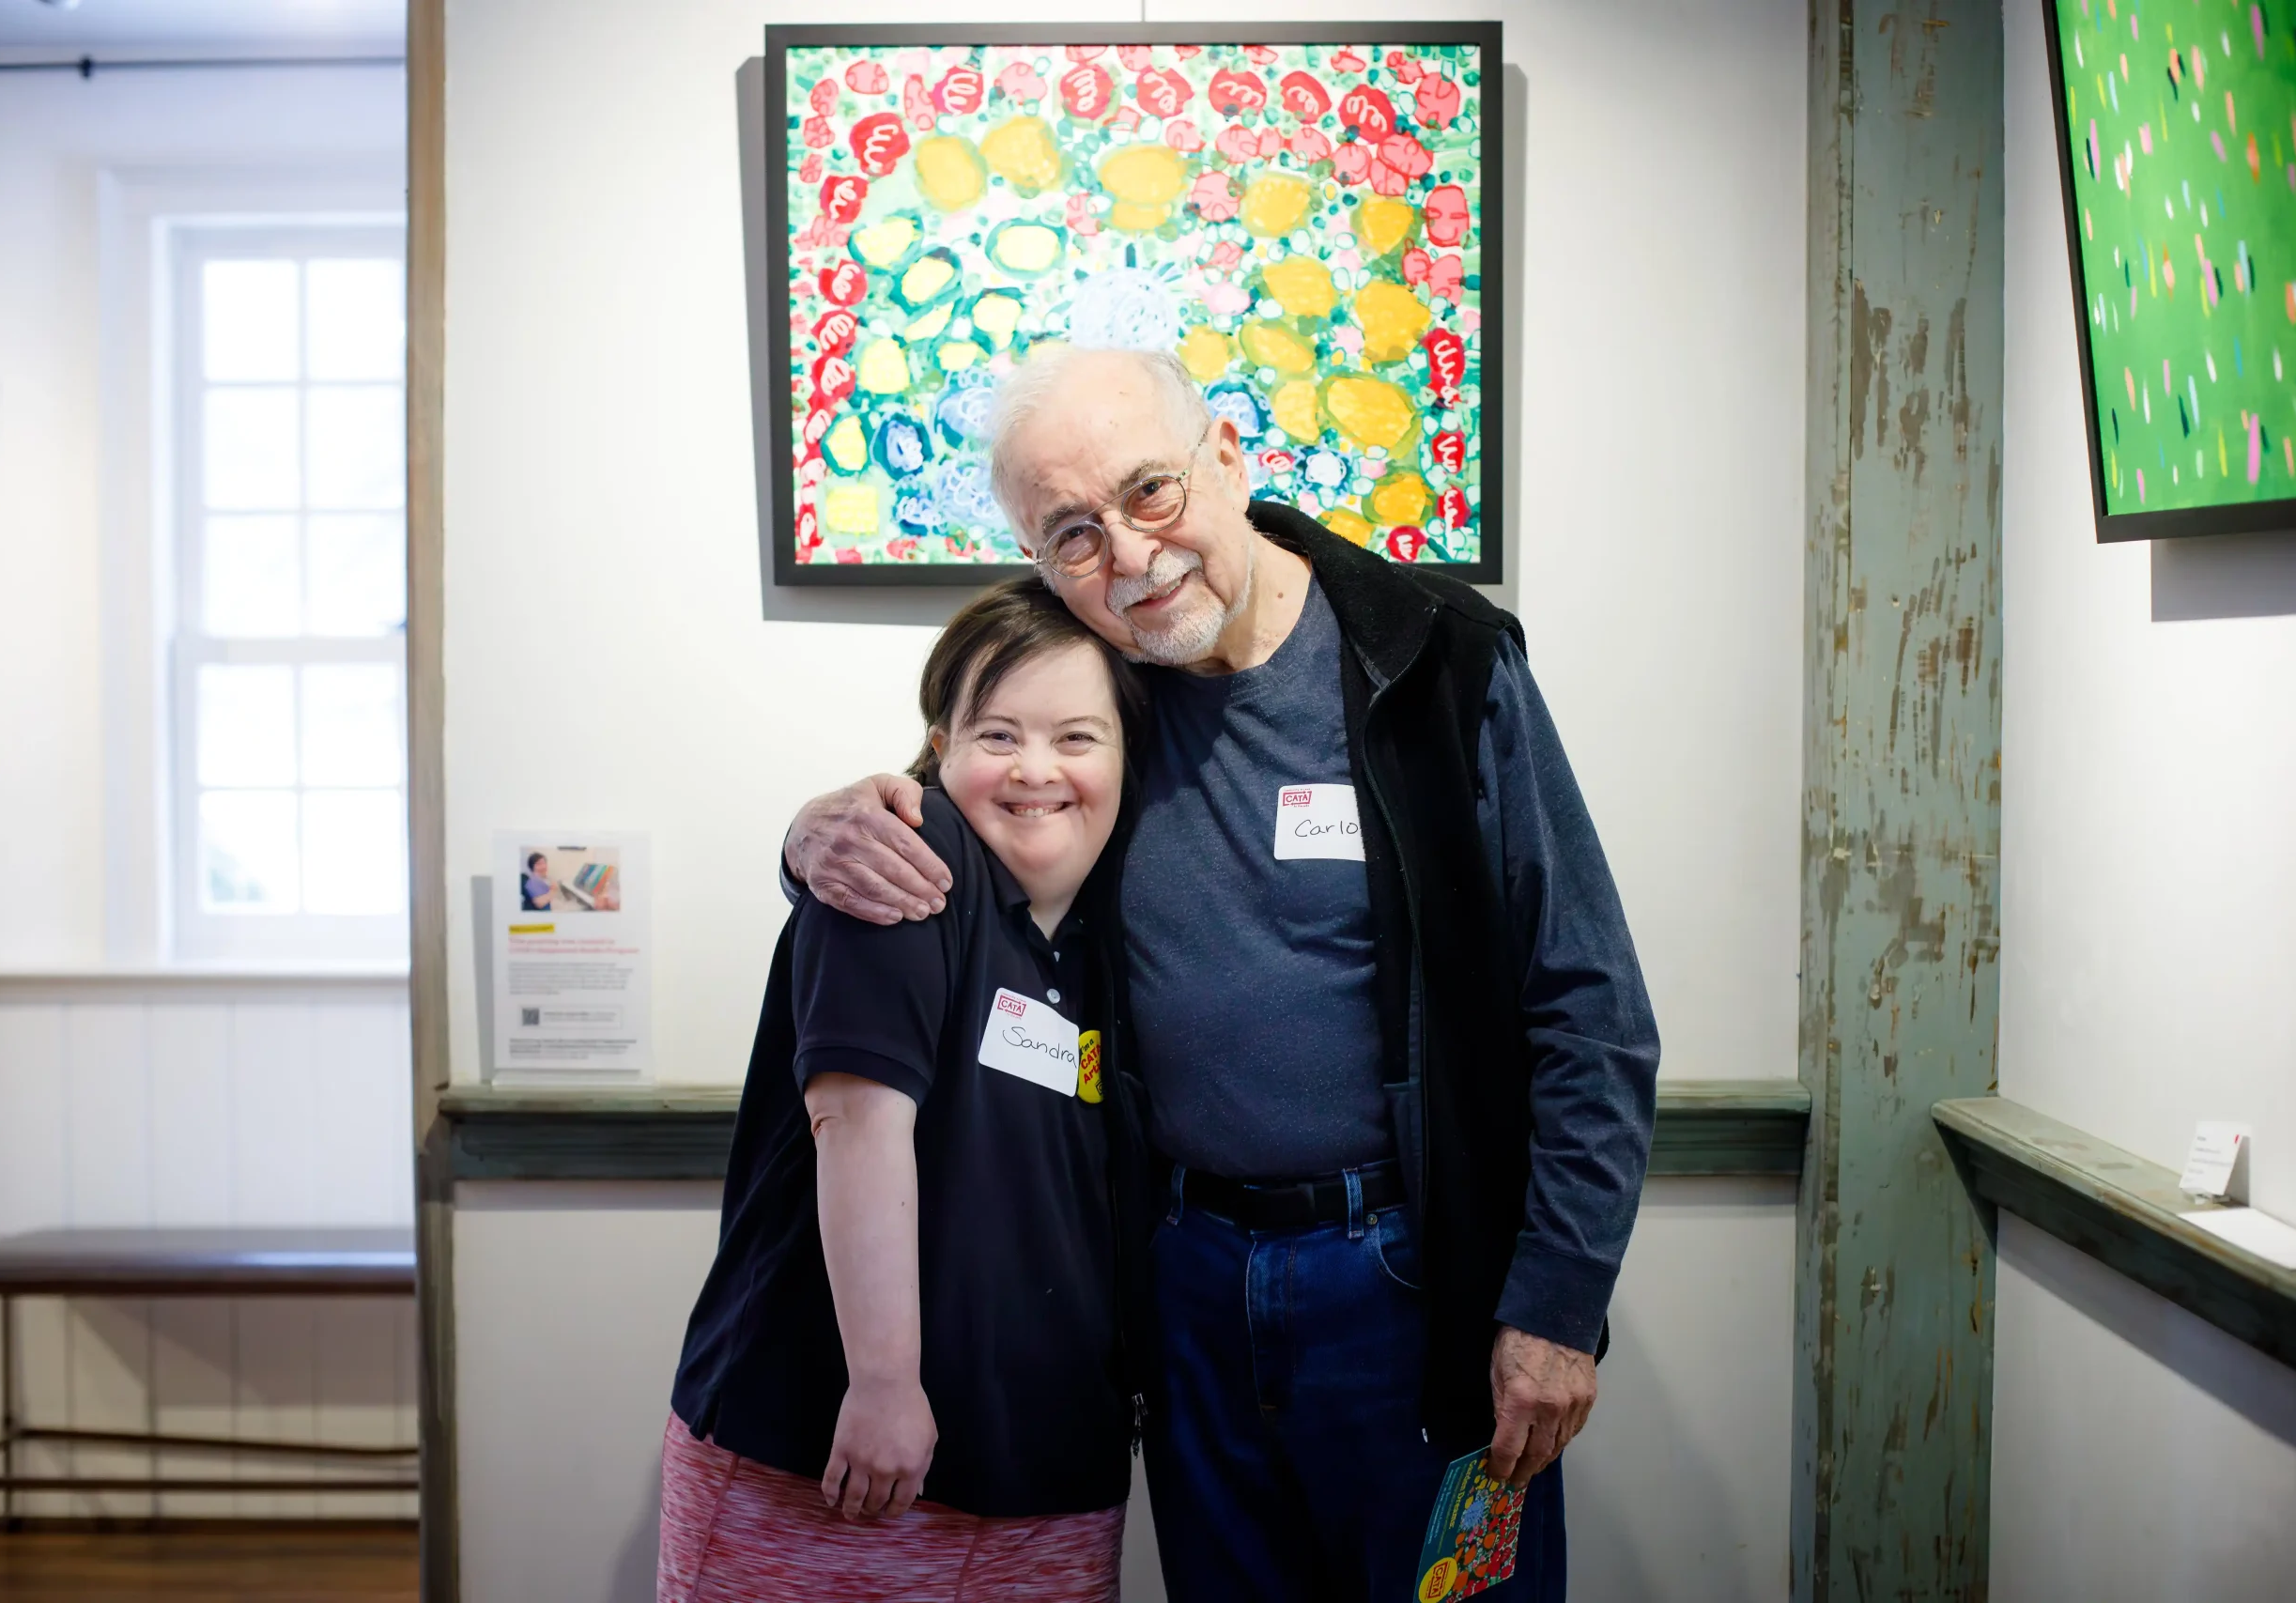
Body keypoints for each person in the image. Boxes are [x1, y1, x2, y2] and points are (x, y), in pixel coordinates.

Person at [783, 346, 1660, 1601]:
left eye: (1150, 493)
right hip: (1184, 1286)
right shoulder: (1100, 688)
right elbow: (949, 820)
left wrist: (1560, 1304)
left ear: (1232, 456)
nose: (1131, 558)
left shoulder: (1438, 663)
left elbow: (1591, 1004)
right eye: (1071, 534)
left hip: (1415, 1282)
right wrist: (811, 833)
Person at [660, 578, 1150, 1603]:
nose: (1035, 771)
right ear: (940, 741)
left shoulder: (1117, 929)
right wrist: (885, 1386)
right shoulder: (900, 859)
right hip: (842, 1463)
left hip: (1044, 1480)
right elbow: (856, 1120)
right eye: (998, 734)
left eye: (1076, 738)